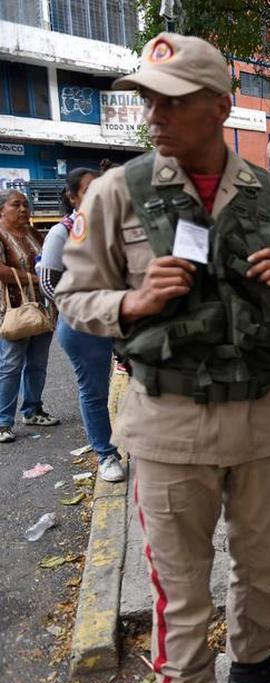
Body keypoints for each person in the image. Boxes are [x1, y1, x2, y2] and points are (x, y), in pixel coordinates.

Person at [55, 33, 270, 683]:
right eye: (148, 99)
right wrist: (134, 303)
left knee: (265, 563)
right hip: (170, 424)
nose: (153, 115)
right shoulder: (121, 191)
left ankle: (254, 668)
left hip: (265, 416)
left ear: (218, 106)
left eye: (170, 101)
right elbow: (73, 296)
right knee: (182, 584)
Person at [38, 167, 125, 482]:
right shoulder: (62, 233)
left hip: (120, 319)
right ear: (73, 197)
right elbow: (48, 283)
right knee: (94, 391)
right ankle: (106, 454)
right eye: (90, 190)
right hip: (83, 327)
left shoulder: (115, 228)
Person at [0, 188, 56, 443]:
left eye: (26, 205)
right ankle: (3, 422)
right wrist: (35, 278)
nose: (23, 209)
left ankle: (33, 410)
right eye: (16, 205)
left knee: (37, 363)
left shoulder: (33, 233)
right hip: (13, 308)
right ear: (2, 209)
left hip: (41, 308)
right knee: (10, 366)